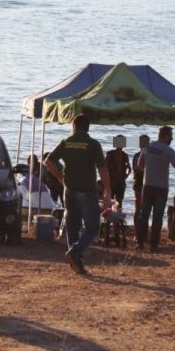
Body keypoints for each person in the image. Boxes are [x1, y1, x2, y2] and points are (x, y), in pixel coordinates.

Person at [44, 114, 111, 275]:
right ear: (88, 128)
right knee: (93, 227)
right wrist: (108, 190)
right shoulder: (93, 144)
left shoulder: (66, 142)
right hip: (87, 190)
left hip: (69, 189)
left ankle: (76, 261)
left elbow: (48, 161)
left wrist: (60, 177)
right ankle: (75, 252)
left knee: (72, 226)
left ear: (73, 126)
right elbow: (102, 168)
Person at [136, 126, 175, 251]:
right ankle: (153, 245)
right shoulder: (169, 151)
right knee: (157, 216)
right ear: (167, 136)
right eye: (171, 137)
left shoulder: (148, 147)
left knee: (144, 215)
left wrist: (150, 170)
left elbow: (140, 165)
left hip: (148, 185)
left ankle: (140, 242)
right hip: (161, 187)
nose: (171, 139)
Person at [105, 137, 131, 209]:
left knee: (119, 202)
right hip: (111, 181)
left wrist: (125, 176)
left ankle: (118, 215)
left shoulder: (125, 155)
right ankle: (108, 215)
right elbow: (105, 168)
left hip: (121, 181)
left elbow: (129, 169)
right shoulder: (110, 154)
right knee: (110, 201)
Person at [132, 135, 149, 224]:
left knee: (145, 209)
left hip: (146, 184)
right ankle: (137, 228)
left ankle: (142, 228)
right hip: (139, 184)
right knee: (138, 208)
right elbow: (137, 169)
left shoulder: (148, 155)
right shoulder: (137, 156)